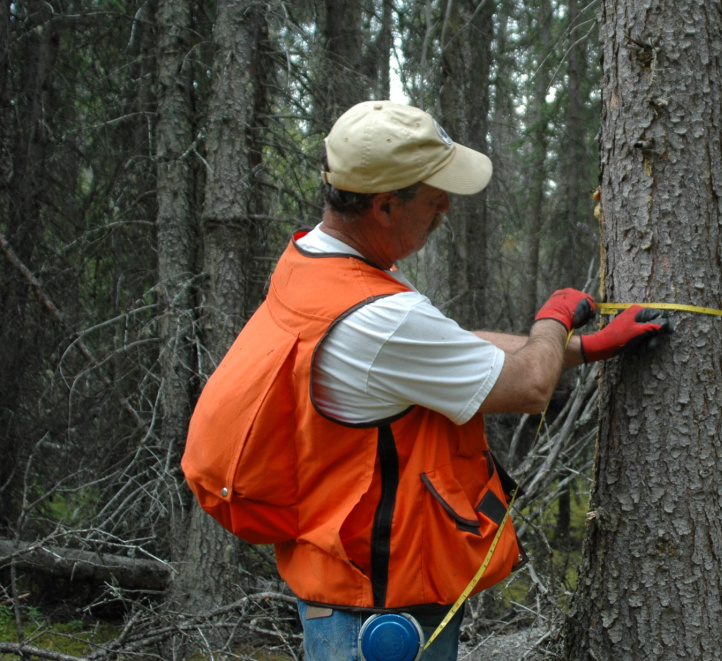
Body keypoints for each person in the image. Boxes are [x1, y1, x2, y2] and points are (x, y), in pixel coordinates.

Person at [182, 101, 671, 661]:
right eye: (435, 198)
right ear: (385, 206)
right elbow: (529, 387)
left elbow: (446, 351)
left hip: (345, 586)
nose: (445, 210)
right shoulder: (381, 318)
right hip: (380, 614)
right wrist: (553, 320)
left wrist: (584, 348)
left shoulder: (313, 264)